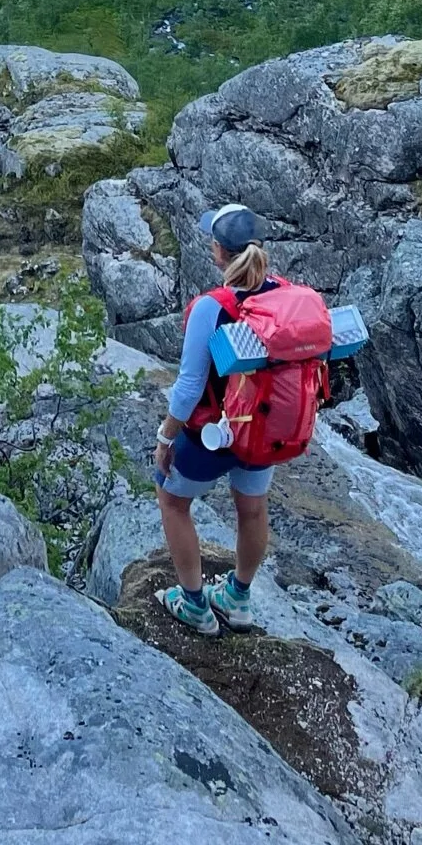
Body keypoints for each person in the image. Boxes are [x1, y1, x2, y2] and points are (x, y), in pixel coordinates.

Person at [153, 202, 288, 635]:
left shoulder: (212, 307)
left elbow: (190, 386)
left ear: (218, 251)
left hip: (215, 434)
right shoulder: (283, 294)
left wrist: (166, 437)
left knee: (172, 501)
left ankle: (194, 605)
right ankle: (238, 598)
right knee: (252, 510)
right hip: (262, 430)